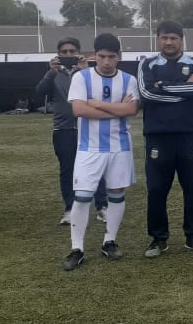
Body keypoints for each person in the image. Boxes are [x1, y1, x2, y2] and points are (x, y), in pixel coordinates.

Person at [61, 33, 139, 270]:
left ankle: (110, 241)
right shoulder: (81, 77)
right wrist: (119, 110)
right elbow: (79, 110)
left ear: (119, 57)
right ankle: (77, 248)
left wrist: (96, 103)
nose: (106, 62)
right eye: (102, 56)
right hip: (89, 148)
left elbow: (132, 109)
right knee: (83, 196)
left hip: (120, 147)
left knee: (116, 194)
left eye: (111, 57)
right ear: (94, 56)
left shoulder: (129, 80)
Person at [137, 20, 193, 257]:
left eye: (174, 38)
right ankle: (158, 239)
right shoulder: (146, 64)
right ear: (158, 39)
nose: (169, 42)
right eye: (164, 37)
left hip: (189, 135)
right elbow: (147, 94)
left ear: (182, 40)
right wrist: (179, 89)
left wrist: (163, 87)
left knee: (192, 187)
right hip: (158, 136)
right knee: (157, 189)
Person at [35, 37, 108, 226]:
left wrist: (84, 71)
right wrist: (50, 73)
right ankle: (70, 208)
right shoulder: (54, 74)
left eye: (71, 52)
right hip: (63, 128)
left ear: (78, 53)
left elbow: (99, 93)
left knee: (96, 167)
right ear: (58, 54)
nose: (68, 55)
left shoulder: (88, 73)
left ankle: (102, 207)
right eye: (64, 52)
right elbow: (39, 92)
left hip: (89, 127)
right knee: (67, 170)